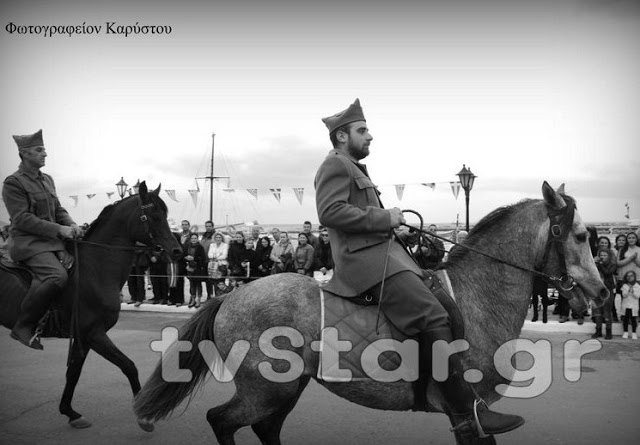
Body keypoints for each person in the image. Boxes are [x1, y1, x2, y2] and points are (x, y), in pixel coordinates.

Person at [314, 99, 523, 436]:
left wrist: (393, 227)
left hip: (385, 254)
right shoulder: (335, 165)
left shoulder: (352, 166)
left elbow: (356, 216)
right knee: (433, 316)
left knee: (448, 308)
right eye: (362, 130)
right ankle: (467, 411)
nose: (370, 136)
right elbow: (330, 212)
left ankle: (443, 390)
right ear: (341, 136)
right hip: (364, 263)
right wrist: (386, 217)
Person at [2, 129, 83, 349]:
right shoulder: (13, 183)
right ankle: (23, 326)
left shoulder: (47, 179)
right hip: (28, 244)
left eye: (44, 150)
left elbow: (58, 209)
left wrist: (71, 224)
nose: (45, 154)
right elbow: (22, 219)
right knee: (57, 277)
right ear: (24, 153)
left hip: (51, 241)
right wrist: (59, 230)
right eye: (39, 150)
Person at [592, 247, 616, 339]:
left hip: (607, 290)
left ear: (609, 256)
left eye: (605, 255)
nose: (602, 257)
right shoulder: (597, 264)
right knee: (597, 311)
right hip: (597, 289)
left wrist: (600, 264)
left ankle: (608, 331)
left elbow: (607, 272)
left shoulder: (612, 264)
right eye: (601, 255)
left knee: (607, 311)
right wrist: (594, 262)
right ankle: (598, 330)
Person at [183, 233, 207, 308]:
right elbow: (183, 255)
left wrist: (194, 258)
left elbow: (203, 258)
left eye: (195, 238)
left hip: (198, 268)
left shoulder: (200, 247)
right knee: (192, 284)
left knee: (198, 284)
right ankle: (193, 299)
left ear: (197, 239)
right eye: (192, 238)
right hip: (189, 268)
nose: (193, 240)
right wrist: (186, 258)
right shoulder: (187, 246)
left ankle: (199, 299)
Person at [620, 271, 639, 339]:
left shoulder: (637, 286)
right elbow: (624, 295)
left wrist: (633, 291)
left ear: (634, 277)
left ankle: (634, 333)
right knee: (625, 319)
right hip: (626, 305)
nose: (629, 277)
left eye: (631, 276)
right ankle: (625, 332)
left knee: (634, 319)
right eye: (628, 276)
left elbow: (637, 296)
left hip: (634, 306)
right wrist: (628, 290)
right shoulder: (624, 286)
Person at [200, 220, 216, 300]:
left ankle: (215, 296)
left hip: (212, 261)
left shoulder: (215, 236)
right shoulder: (204, 236)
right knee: (207, 280)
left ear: (213, 226)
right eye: (206, 226)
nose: (208, 228)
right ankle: (209, 295)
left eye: (209, 226)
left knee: (214, 280)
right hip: (204, 261)